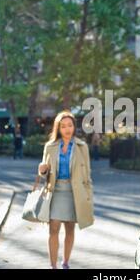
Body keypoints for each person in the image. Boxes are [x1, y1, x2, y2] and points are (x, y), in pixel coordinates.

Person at [38, 111, 94, 269]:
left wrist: (88, 198)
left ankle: (65, 263)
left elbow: (87, 175)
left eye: (70, 125)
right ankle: (52, 265)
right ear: (58, 128)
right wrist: (42, 170)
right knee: (53, 227)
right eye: (63, 126)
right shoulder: (50, 147)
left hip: (74, 192)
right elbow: (44, 174)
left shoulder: (82, 147)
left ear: (74, 127)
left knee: (70, 228)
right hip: (55, 191)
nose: (67, 129)